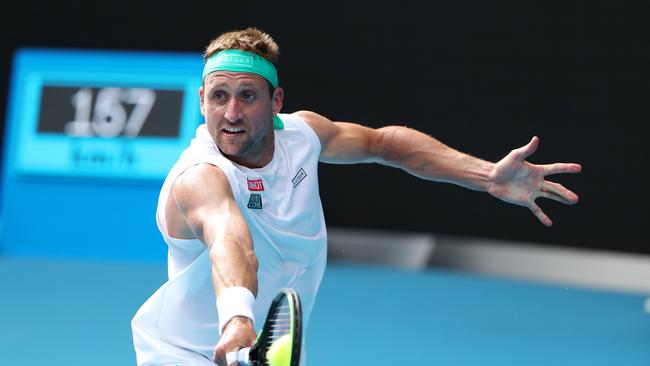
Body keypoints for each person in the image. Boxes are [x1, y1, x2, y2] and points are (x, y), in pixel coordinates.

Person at [131, 27, 581, 366]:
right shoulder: (199, 176)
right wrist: (237, 319)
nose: (231, 113)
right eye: (219, 96)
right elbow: (232, 242)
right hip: (190, 352)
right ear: (203, 100)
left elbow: (387, 145)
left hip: (267, 349)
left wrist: (486, 176)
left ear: (276, 101)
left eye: (247, 96)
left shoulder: (303, 135)